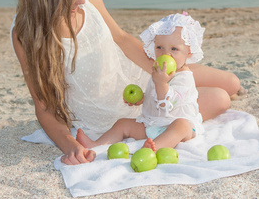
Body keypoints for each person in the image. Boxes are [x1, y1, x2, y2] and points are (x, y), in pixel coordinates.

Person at [11, 0, 241, 165]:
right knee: (221, 98)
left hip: (140, 75)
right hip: (115, 113)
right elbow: (43, 105)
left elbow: (121, 38)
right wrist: (70, 145)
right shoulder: (26, 36)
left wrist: (164, 73)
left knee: (231, 83)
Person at [77, 13, 205, 152]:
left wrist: (161, 83)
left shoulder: (184, 77)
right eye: (159, 47)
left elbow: (168, 103)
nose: (165, 54)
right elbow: (156, 95)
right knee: (122, 124)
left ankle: (155, 148)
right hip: (152, 124)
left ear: (189, 52)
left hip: (176, 125)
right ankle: (97, 145)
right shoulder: (159, 72)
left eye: (174, 49)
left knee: (181, 125)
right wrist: (145, 98)